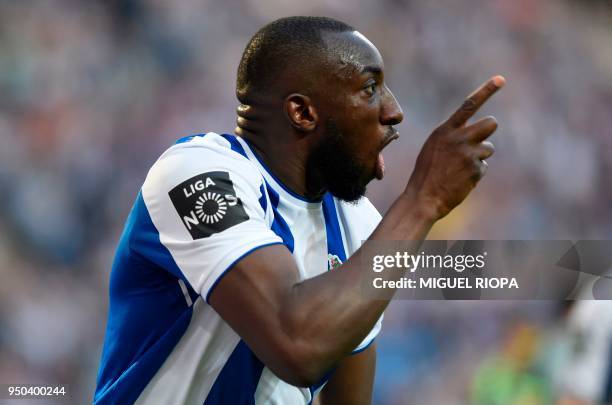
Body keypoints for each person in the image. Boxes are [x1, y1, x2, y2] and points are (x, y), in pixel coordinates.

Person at [94, 16, 505, 404]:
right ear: (303, 112)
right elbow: (297, 346)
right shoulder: (196, 175)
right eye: (369, 88)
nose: (394, 111)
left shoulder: (359, 224)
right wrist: (423, 200)